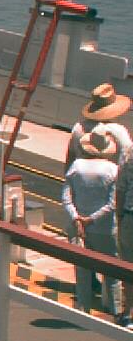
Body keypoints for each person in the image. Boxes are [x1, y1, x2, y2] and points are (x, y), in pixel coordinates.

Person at [63, 124, 122, 314]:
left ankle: (83, 311)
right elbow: (112, 204)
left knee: (82, 273)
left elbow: (66, 198)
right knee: (112, 274)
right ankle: (115, 313)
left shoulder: (76, 167)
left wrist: (77, 218)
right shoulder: (113, 170)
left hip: (78, 229)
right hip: (104, 229)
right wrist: (91, 219)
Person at [67, 83, 131, 170]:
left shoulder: (78, 128)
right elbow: (127, 158)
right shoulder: (119, 131)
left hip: (82, 173)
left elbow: (71, 157)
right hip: (109, 176)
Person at [116, 126, 133, 326]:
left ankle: (128, 312)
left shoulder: (129, 151)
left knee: (128, 266)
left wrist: (119, 216)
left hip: (130, 216)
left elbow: (120, 188)